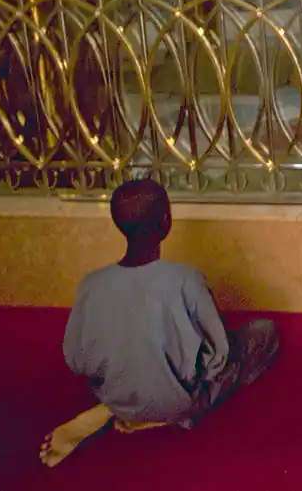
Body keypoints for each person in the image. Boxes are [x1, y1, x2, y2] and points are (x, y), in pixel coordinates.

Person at [40, 179, 279, 467]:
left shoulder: (91, 285)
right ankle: (166, 414)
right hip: (181, 401)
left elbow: (77, 360)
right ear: (166, 222)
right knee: (264, 333)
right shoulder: (186, 279)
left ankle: (120, 408)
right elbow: (219, 356)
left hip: (115, 392)